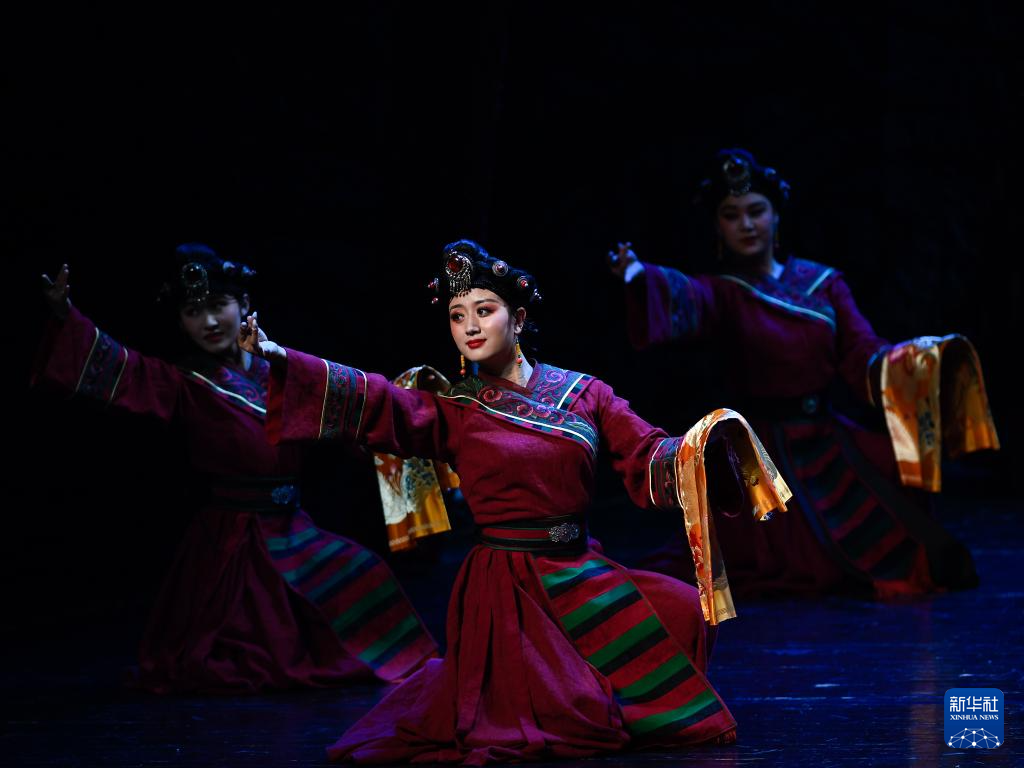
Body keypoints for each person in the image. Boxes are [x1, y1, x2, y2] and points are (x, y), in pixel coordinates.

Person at [239, 239, 791, 763]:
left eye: (484, 311)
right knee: (568, 714)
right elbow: (380, 402)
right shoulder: (455, 408)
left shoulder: (584, 393)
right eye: (457, 316)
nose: (470, 326)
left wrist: (703, 446)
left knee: (682, 610)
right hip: (508, 582)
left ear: (519, 318)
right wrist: (281, 359)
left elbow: (645, 451)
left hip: (578, 566)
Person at [33, 244, 436, 693]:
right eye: (193, 312)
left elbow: (341, 413)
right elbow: (122, 369)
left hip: (292, 525)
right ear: (180, 322)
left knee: (362, 569)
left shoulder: (281, 369)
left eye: (217, 306)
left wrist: (399, 414)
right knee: (254, 639)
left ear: (243, 305)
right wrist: (65, 317)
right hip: (232, 536)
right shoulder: (182, 382)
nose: (208, 321)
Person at [608, 148, 979, 598]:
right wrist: (638, 275)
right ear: (718, 227)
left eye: (756, 211)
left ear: (776, 216)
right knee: (784, 565)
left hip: (827, 441)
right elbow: (682, 296)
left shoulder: (823, 284)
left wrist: (911, 359)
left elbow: (861, 351)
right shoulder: (721, 292)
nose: (746, 224)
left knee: (909, 547)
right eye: (731, 215)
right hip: (757, 456)